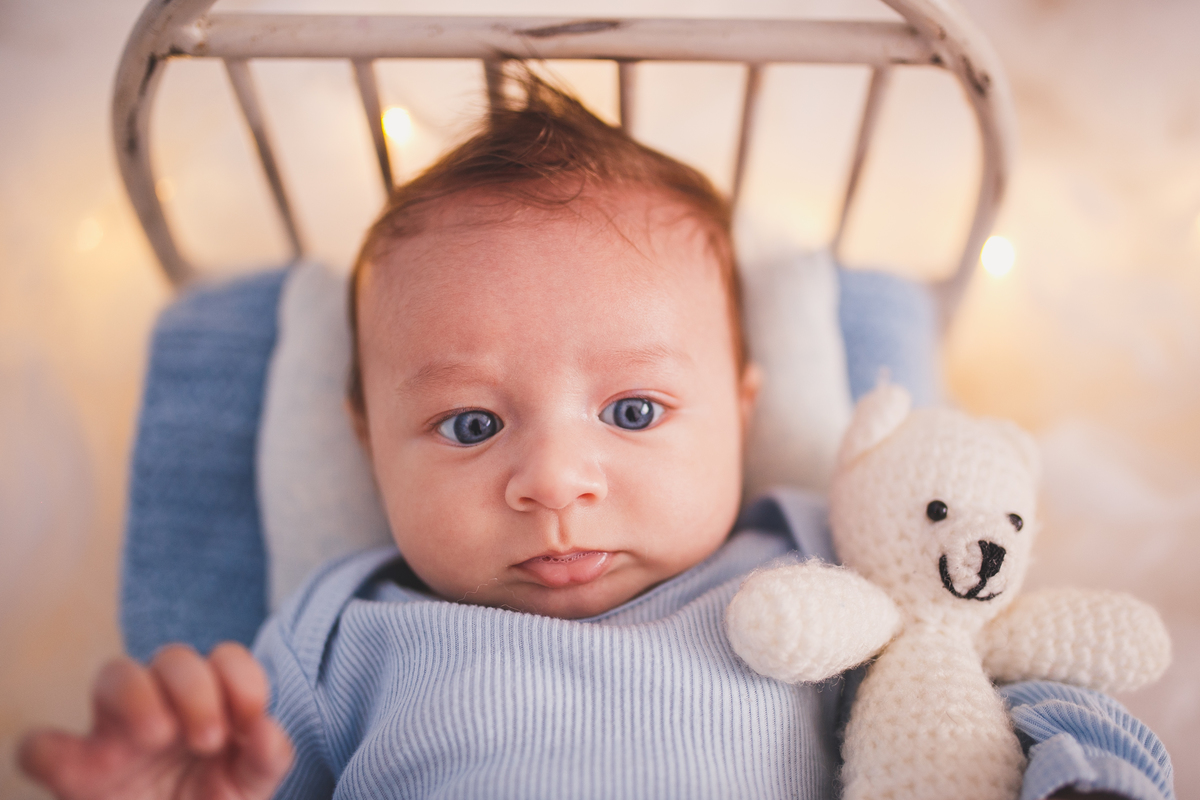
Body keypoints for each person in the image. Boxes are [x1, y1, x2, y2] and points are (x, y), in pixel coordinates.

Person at [19, 73, 1172, 800]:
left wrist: (1076, 770)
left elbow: (992, 689)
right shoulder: (337, 635)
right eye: (470, 423)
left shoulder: (824, 563)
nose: (557, 482)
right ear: (368, 441)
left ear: (744, 407)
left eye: (633, 411)